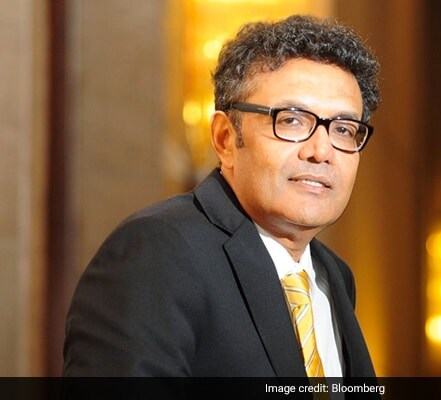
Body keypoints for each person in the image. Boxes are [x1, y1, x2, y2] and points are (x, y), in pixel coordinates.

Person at [63, 14, 381, 384]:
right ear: (225, 138)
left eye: (343, 129)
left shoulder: (333, 276)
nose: (321, 151)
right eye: (291, 120)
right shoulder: (157, 252)